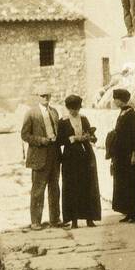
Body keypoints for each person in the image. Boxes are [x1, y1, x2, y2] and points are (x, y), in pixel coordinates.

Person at [56, 93, 102, 228]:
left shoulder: (84, 119)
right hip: (71, 157)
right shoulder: (63, 121)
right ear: (68, 108)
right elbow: (59, 140)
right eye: (71, 109)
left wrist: (89, 137)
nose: (74, 111)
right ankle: (74, 219)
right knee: (72, 186)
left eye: (76, 109)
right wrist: (72, 139)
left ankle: (89, 218)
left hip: (85, 155)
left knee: (88, 185)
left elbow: (93, 136)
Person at [19, 85, 62, 229]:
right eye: (43, 96)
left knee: (54, 188)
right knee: (38, 190)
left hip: (54, 154)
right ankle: (36, 221)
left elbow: (58, 131)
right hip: (39, 155)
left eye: (48, 95)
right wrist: (41, 140)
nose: (45, 98)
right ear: (37, 97)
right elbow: (24, 135)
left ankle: (55, 219)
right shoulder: (31, 114)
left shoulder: (54, 112)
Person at [107, 87, 135, 223]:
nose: (114, 101)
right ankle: (129, 212)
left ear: (120, 100)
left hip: (128, 154)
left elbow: (134, 134)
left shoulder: (131, 113)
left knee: (131, 183)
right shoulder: (123, 112)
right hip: (120, 154)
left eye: (115, 99)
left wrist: (134, 153)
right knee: (123, 183)